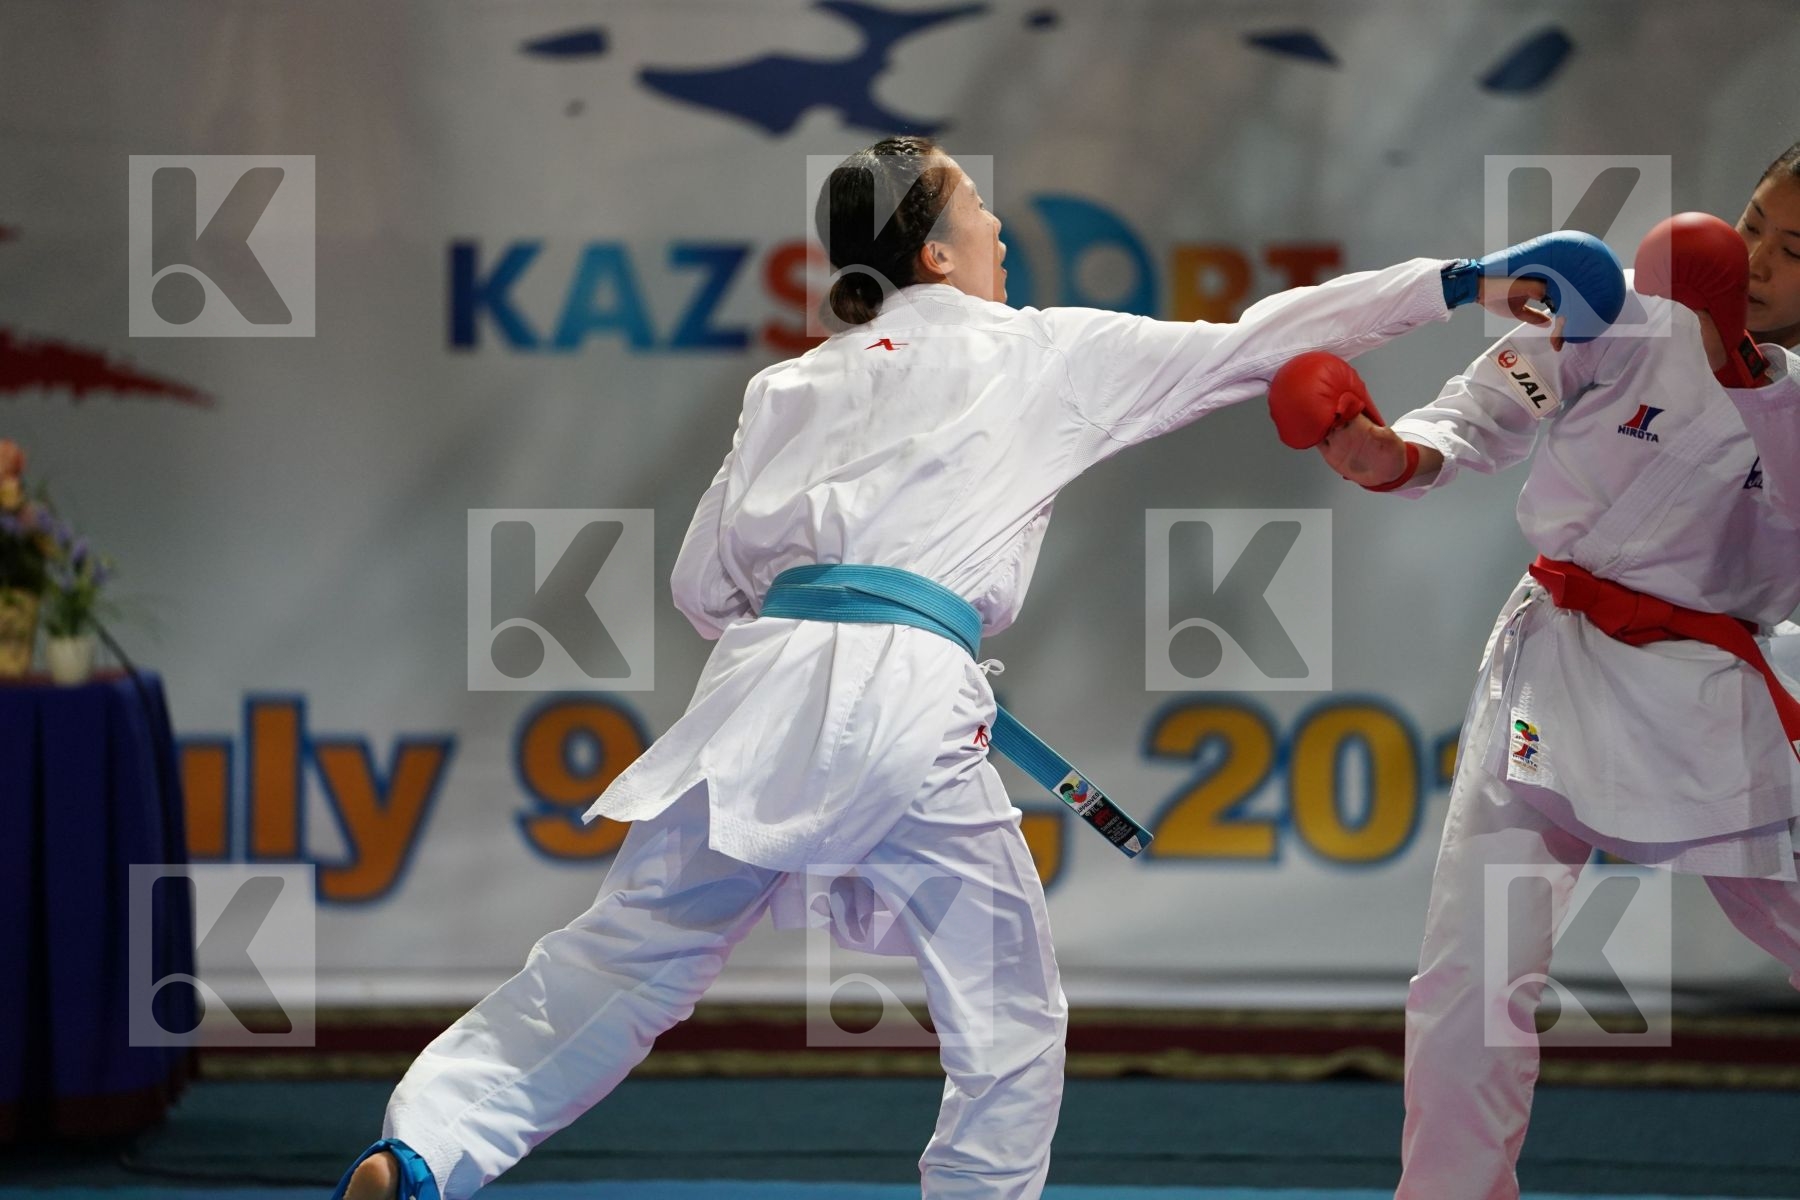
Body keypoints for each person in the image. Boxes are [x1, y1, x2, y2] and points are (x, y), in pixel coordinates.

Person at [334, 135, 1611, 1200]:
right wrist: (1463, 279)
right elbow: (1262, 338)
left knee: (617, 959)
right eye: (979, 206)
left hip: (758, 685)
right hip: (907, 698)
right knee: (1005, 1015)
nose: (1002, 225)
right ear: (936, 250)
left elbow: (697, 586)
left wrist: (830, 629)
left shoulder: (790, 384)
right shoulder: (1035, 350)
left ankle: (425, 1148)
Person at [1270, 144, 1800, 1200]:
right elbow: (1494, 403)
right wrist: (1398, 452)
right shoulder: (1626, 318)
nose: (1753, 258)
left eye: (1792, 250)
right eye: (1751, 226)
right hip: (1553, 670)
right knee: (1471, 973)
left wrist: (1750, 373)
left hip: (1715, 690)